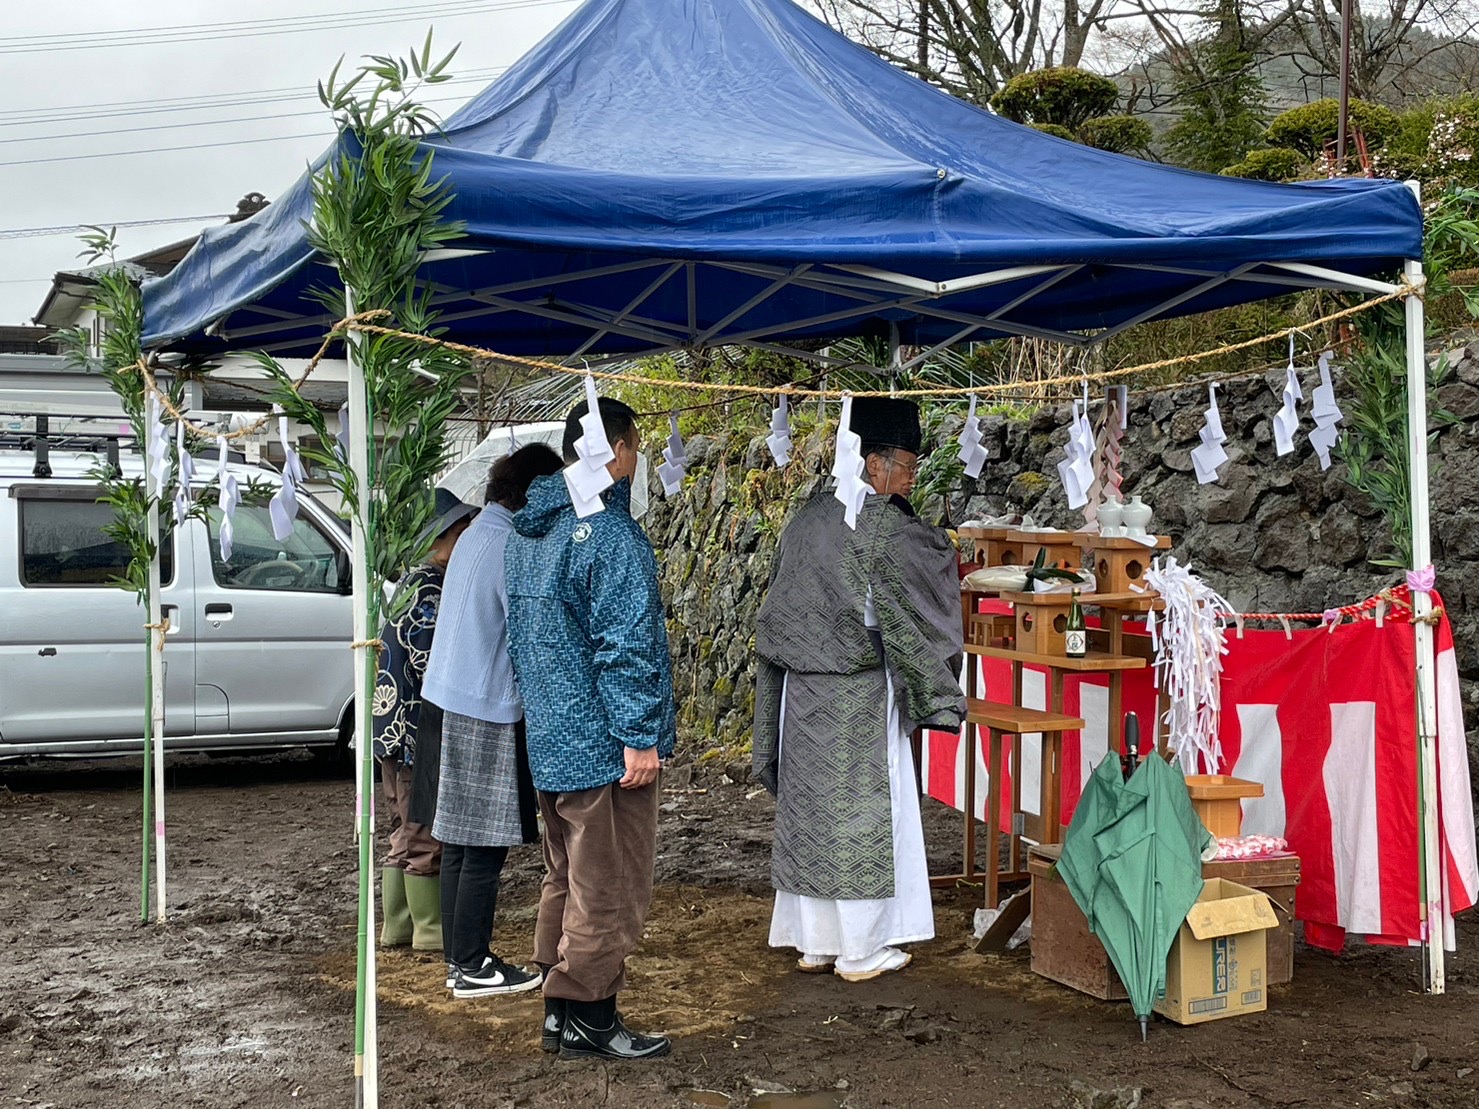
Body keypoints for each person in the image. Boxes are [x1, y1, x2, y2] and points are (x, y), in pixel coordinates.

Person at [753, 397, 966, 982]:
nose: (911, 477)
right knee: (864, 818)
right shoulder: (883, 526)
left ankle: (815, 941)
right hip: (859, 695)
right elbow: (932, 573)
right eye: (908, 465)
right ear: (874, 463)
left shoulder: (808, 515)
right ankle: (863, 948)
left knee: (811, 817)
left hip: (800, 693)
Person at [505, 397, 676, 1061]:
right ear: (619, 448)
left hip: (549, 733)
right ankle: (590, 1015)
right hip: (604, 742)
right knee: (608, 884)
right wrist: (639, 734)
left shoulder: (530, 529)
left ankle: (558, 1009)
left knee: (566, 876)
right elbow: (624, 642)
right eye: (635, 446)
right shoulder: (608, 531)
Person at [421, 444, 565, 999]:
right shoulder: (510, 542)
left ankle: (461, 961)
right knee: (481, 846)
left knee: (457, 840)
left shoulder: (480, 531)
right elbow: (530, 631)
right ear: (534, 492)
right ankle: (474, 965)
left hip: (449, 697)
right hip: (481, 703)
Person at [372, 487, 477, 954]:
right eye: (462, 533)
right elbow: (430, 659)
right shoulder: (430, 592)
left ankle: (397, 924)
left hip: (390, 727)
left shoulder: (404, 590)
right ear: (443, 539)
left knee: (401, 825)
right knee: (424, 828)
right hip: (418, 731)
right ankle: (430, 929)